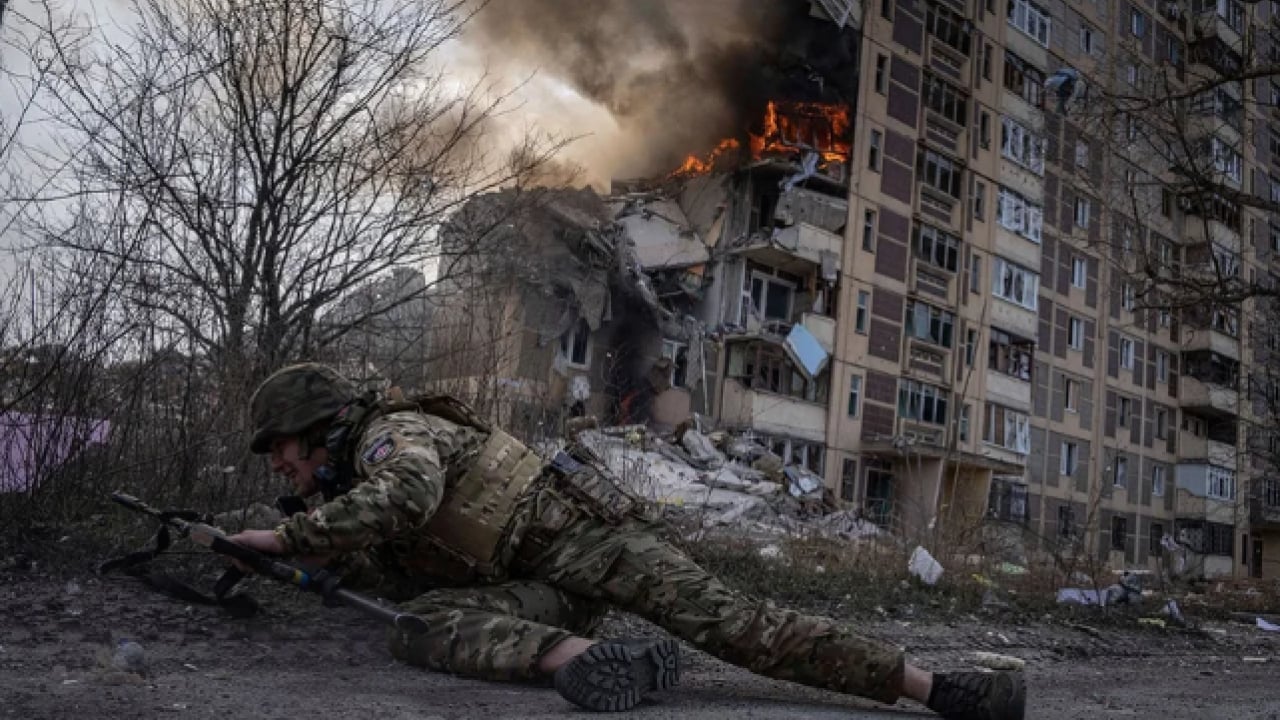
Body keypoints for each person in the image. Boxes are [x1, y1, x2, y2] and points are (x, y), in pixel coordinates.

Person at [228, 363, 1026, 719]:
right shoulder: (351, 474)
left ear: (316, 430)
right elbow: (407, 563)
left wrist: (290, 534)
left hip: (597, 547)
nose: (286, 469)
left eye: (285, 452)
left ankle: (941, 689)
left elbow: (408, 493)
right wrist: (299, 555)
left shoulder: (387, 438)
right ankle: (598, 664)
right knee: (418, 623)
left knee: (742, 629)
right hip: (543, 591)